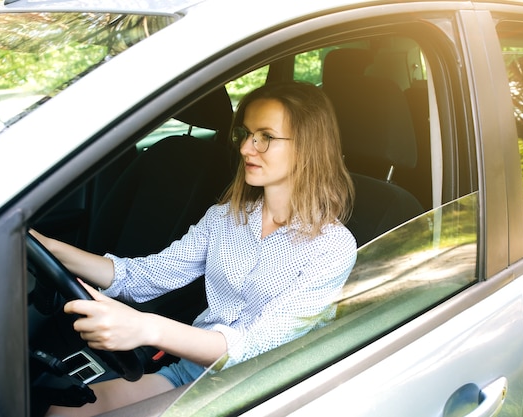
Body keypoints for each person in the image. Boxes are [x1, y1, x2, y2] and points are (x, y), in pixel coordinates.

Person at [34, 81, 357, 416]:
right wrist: (48, 248)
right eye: (245, 134)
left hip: (259, 389)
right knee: (64, 410)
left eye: (265, 137)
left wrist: (146, 328)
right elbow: (142, 276)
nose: (247, 148)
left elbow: (254, 348)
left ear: (308, 146)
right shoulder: (225, 218)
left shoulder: (332, 247)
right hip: (192, 373)